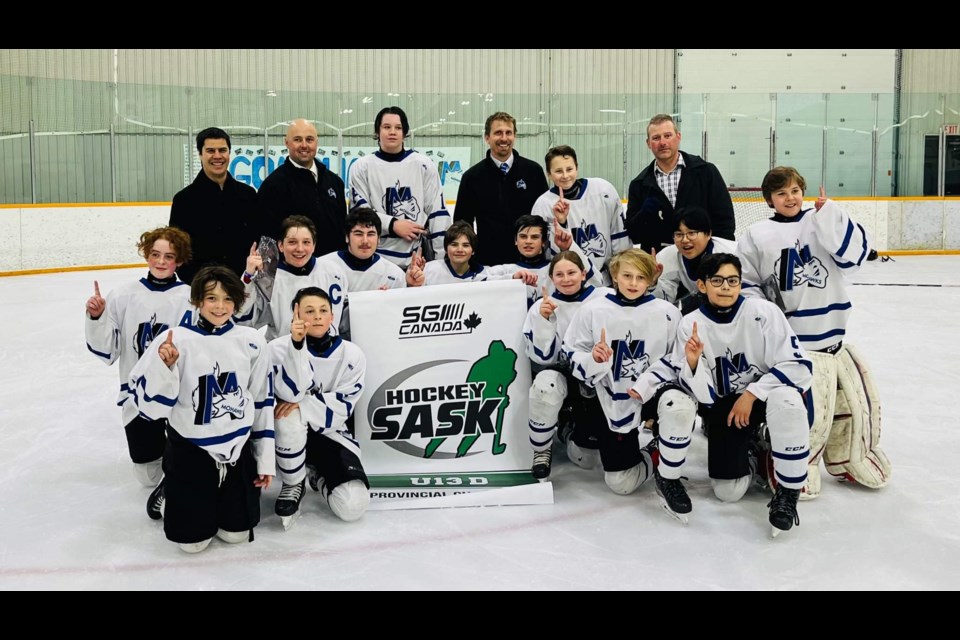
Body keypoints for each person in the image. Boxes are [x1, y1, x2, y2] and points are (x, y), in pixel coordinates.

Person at [737, 167, 890, 500]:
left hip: (834, 339)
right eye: (781, 194)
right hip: (796, 346)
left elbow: (855, 257)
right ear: (769, 200)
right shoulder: (755, 234)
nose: (790, 198)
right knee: (809, 417)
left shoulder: (820, 220)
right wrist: (766, 319)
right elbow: (746, 283)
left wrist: (831, 215)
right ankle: (791, 464)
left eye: (794, 190)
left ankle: (847, 457)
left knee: (854, 409)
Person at [129, 266, 274, 554]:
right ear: (197, 301)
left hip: (237, 449)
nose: (220, 307)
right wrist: (165, 367)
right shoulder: (174, 340)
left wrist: (264, 459)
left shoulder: (252, 341)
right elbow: (152, 410)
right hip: (190, 450)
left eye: (227, 299)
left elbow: (261, 401)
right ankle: (171, 489)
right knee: (192, 545)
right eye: (211, 298)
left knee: (236, 535)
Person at [677, 253, 812, 537]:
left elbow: (798, 368)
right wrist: (692, 362)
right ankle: (757, 455)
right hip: (725, 406)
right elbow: (702, 395)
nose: (726, 287)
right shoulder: (689, 324)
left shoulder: (764, 312)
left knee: (787, 400)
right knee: (728, 492)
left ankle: (788, 494)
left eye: (733, 280)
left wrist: (751, 394)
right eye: (717, 280)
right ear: (702, 285)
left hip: (766, 396)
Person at [563, 249, 697, 521]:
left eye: (640, 277)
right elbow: (571, 353)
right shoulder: (592, 311)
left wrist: (648, 383)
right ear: (614, 276)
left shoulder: (668, 313)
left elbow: (677, 360)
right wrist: (593, 359)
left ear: (650, 280)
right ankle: (654, 453)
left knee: (678, 404)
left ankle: (668, 475)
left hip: (652, 395)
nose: (633, 283)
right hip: (608, 397)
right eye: (627, 276)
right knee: (620, 482)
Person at [85, 227, 194, 491]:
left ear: (178, 261)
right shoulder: (123, 295)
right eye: (155, 254)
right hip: (138, 394)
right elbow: (107, 349)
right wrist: (98, 317)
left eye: (169, 257)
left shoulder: (190, 297)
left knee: (185, 459)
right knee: (147, 477)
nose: (160, 261)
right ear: (146, 256)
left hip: (180, 394)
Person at [269, 288, 368, 530]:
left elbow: (343, 406)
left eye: (323, 310)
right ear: (295, 315)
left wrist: (302, 404)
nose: (317, 317)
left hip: (329, 432)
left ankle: (315, 475)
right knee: (287, 414)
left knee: (353, 506)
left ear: (332, 316)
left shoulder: (352, 353)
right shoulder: (276, 349)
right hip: (283, 437)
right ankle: (293, 481)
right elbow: (284, 398)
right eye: (309, 311)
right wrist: (296, 346)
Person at [522, 251, 612, 479]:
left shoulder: (605, 298)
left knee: (587, 459)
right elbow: (543, 359)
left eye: (572, 272)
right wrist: (544, 322)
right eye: (559, 274)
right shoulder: (541, 306)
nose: (566, 278)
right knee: (545, 385)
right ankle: (542, 448)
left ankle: (566, 429)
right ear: (551, 278)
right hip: (563, 372)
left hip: (599, 374)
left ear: (583, 274)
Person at [348, 106, 451, 268]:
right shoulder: (362, 167)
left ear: (405, 133)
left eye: (398, 128)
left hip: (416, 260)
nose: (392, 132)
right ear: (377, 132)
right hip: (374, 260)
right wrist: (393, 225)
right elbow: (359, 214)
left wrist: (441, 261)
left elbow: (438, 214)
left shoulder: (423, 165)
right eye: (386, 127)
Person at [625, 114, 735, 253]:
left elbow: (725, 221)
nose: (662, 142)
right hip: (659, 264)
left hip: (704, 260)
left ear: (678, 136)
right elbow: (634, 235)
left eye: (667, 135)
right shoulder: (639, 184)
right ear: (648, 143)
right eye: (656, 138)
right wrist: (644, 215)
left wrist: (716, 256)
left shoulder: (705, 172)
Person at [453, 112, 548, 266]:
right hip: (488, 262)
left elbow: (544, 217)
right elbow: (462, 224)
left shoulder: (533, 172)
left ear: (515, 136)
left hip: (529, 262)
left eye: (508, 133)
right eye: (498, 133)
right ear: (487, 137)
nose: (504, 138)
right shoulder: (472, 177)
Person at [170, 127, 259, 284]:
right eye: (210, 150)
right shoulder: (184, 200)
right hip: (202, 290)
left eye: (222, 150)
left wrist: (248, 279)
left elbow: (257, 242)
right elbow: (179, 250)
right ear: (200, 155)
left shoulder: (248, 195)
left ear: (229, 153)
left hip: (244, 287)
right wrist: (200, 284)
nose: (217, 156)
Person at [532, 145, 632, 285]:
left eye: (569, 169)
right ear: (549, 174)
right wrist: (562, 223)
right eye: (558, 171)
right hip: (569, 284)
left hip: (606, 280)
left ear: (577, 168)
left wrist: (622, 273)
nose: (565, 175)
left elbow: (619, 236)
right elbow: (548, 253)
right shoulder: (543, 205)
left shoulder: (603, 190)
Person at [237, 215, 348, 340]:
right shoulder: (268, 278)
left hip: (327, 353)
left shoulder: (334, 272)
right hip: (282, 354)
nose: (300, 249)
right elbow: (242, 320)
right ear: (280, 246)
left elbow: (344, 321)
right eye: (292, 242)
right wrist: (248, 275)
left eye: (306, 242)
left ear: (314, 245)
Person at [257, 118, 348, 255]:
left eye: (309, 139)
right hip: (292, 270)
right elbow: (267, 237)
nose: (304, 145)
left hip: (332, 268)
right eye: (298, 140)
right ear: (286, 143)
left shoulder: (335, 182)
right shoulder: (273, 185)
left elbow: (343, 228)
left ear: (316, 142)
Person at [318, 208, 407, 338]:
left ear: (379, 239)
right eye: (358, 234)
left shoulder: (394, 275)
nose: (365, 241)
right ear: (347, 237)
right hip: (328, 344)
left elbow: (397, 322)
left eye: (371, 234)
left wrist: (385, 305)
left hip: (375, 342)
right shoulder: (323, 266)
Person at [651, 205, 737, 314]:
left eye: (692, 233)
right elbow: (664, 301)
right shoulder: (667, 257)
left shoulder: (733, 253)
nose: (685, 240)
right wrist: (653, 283)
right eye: (679, 234)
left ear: (708, 234)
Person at [406, 221, 537, 287]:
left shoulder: (483, 274)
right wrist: (413, 283)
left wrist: (515, 278)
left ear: (473, 250)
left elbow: (499, 281)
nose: (459, 249)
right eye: (454, 244)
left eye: (466, 245)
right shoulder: (429, 269)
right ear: (446, 248)